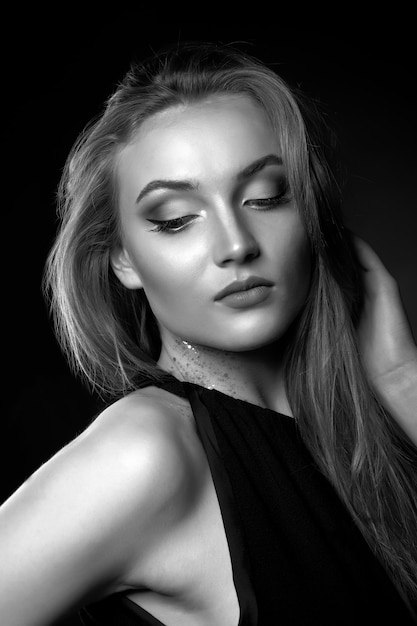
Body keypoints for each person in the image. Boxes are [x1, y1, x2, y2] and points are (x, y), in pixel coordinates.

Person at [1, 40, 416, 626]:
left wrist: (403, 380)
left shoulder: (364, 431)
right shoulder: (146, 454)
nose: (236, 244)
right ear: (123, 258)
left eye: (266, 197)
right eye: (175, 219)